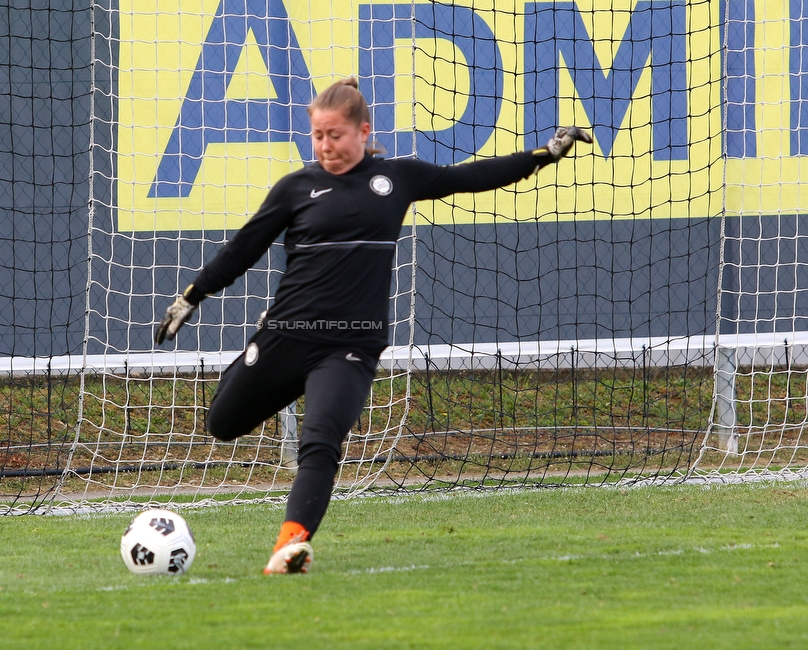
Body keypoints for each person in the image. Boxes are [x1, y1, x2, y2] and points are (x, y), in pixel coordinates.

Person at [155, 78, 592, 575]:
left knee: (320, 444)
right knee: (222, 425)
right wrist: (192, 295)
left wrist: (543, 154)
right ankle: (260, 343)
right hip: (287, 334)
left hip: (350, 345)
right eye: (318, 135)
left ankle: (290, 546)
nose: (325, 146)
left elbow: (471, 176)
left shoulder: (396, 179)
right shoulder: (295, 188)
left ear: (363, 131)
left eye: (335, 135)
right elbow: (243, 250)